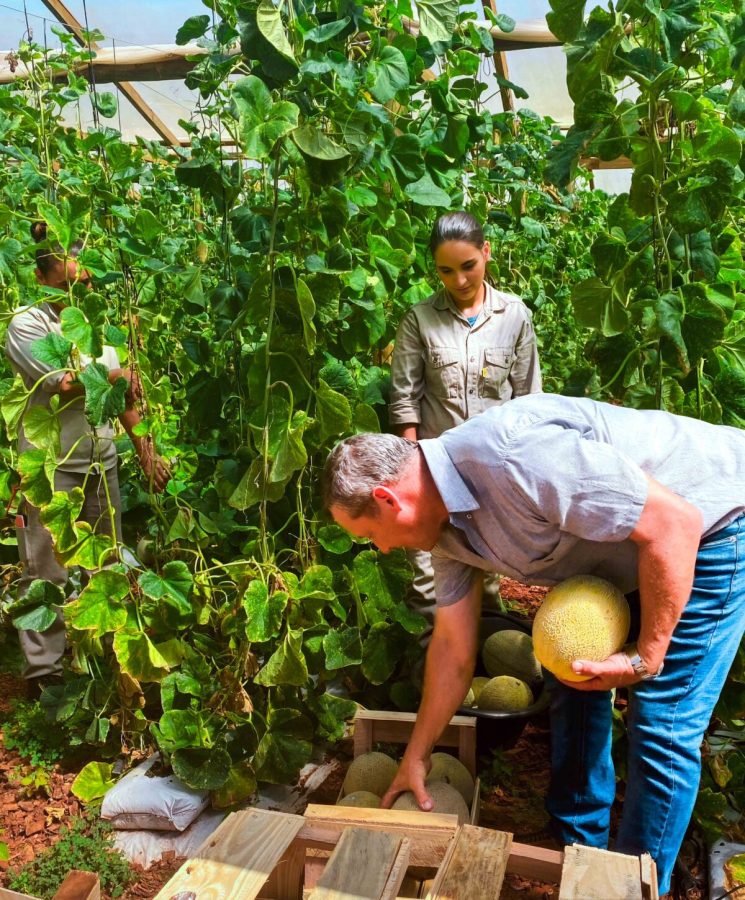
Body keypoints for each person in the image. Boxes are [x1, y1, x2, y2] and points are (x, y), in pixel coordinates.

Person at [322, 393, 745, 896]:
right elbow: (454, 651)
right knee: (571, 672)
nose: (384, 548)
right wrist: (416, 754)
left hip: (712, 520)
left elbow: (675, 523)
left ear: (391, 500)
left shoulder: (514, 456)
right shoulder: (444, 530)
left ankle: (631, 885)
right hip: (630, 545)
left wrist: (645, 657)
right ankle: (578, 848)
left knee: (662, 720)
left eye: (372, 534)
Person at [4, 222, 170, 695]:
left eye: (84, 276)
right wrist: (119, 372)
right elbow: (65, 383)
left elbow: (122, 399)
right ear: (43, 276)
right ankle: (45, 675)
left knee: (106, 561)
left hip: (101, 459)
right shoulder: (27, 324)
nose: (79, 284)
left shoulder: (93, 321)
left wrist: (144, 448)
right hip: (51, 466)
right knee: (46, 567)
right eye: (67, 276)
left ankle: (98, 664)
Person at [389, 211, 541, 624]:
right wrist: (412, 470)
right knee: (428, 582)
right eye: (446, 271)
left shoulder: (514, 316)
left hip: (493, 473)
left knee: (486, 578)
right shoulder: (420, 320)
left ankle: (486, 673)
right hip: (434, 471)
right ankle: (430, 674)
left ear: (486, 252)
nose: (458, 281)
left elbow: (529, 400)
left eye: (468, 266)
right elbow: (405, 401)